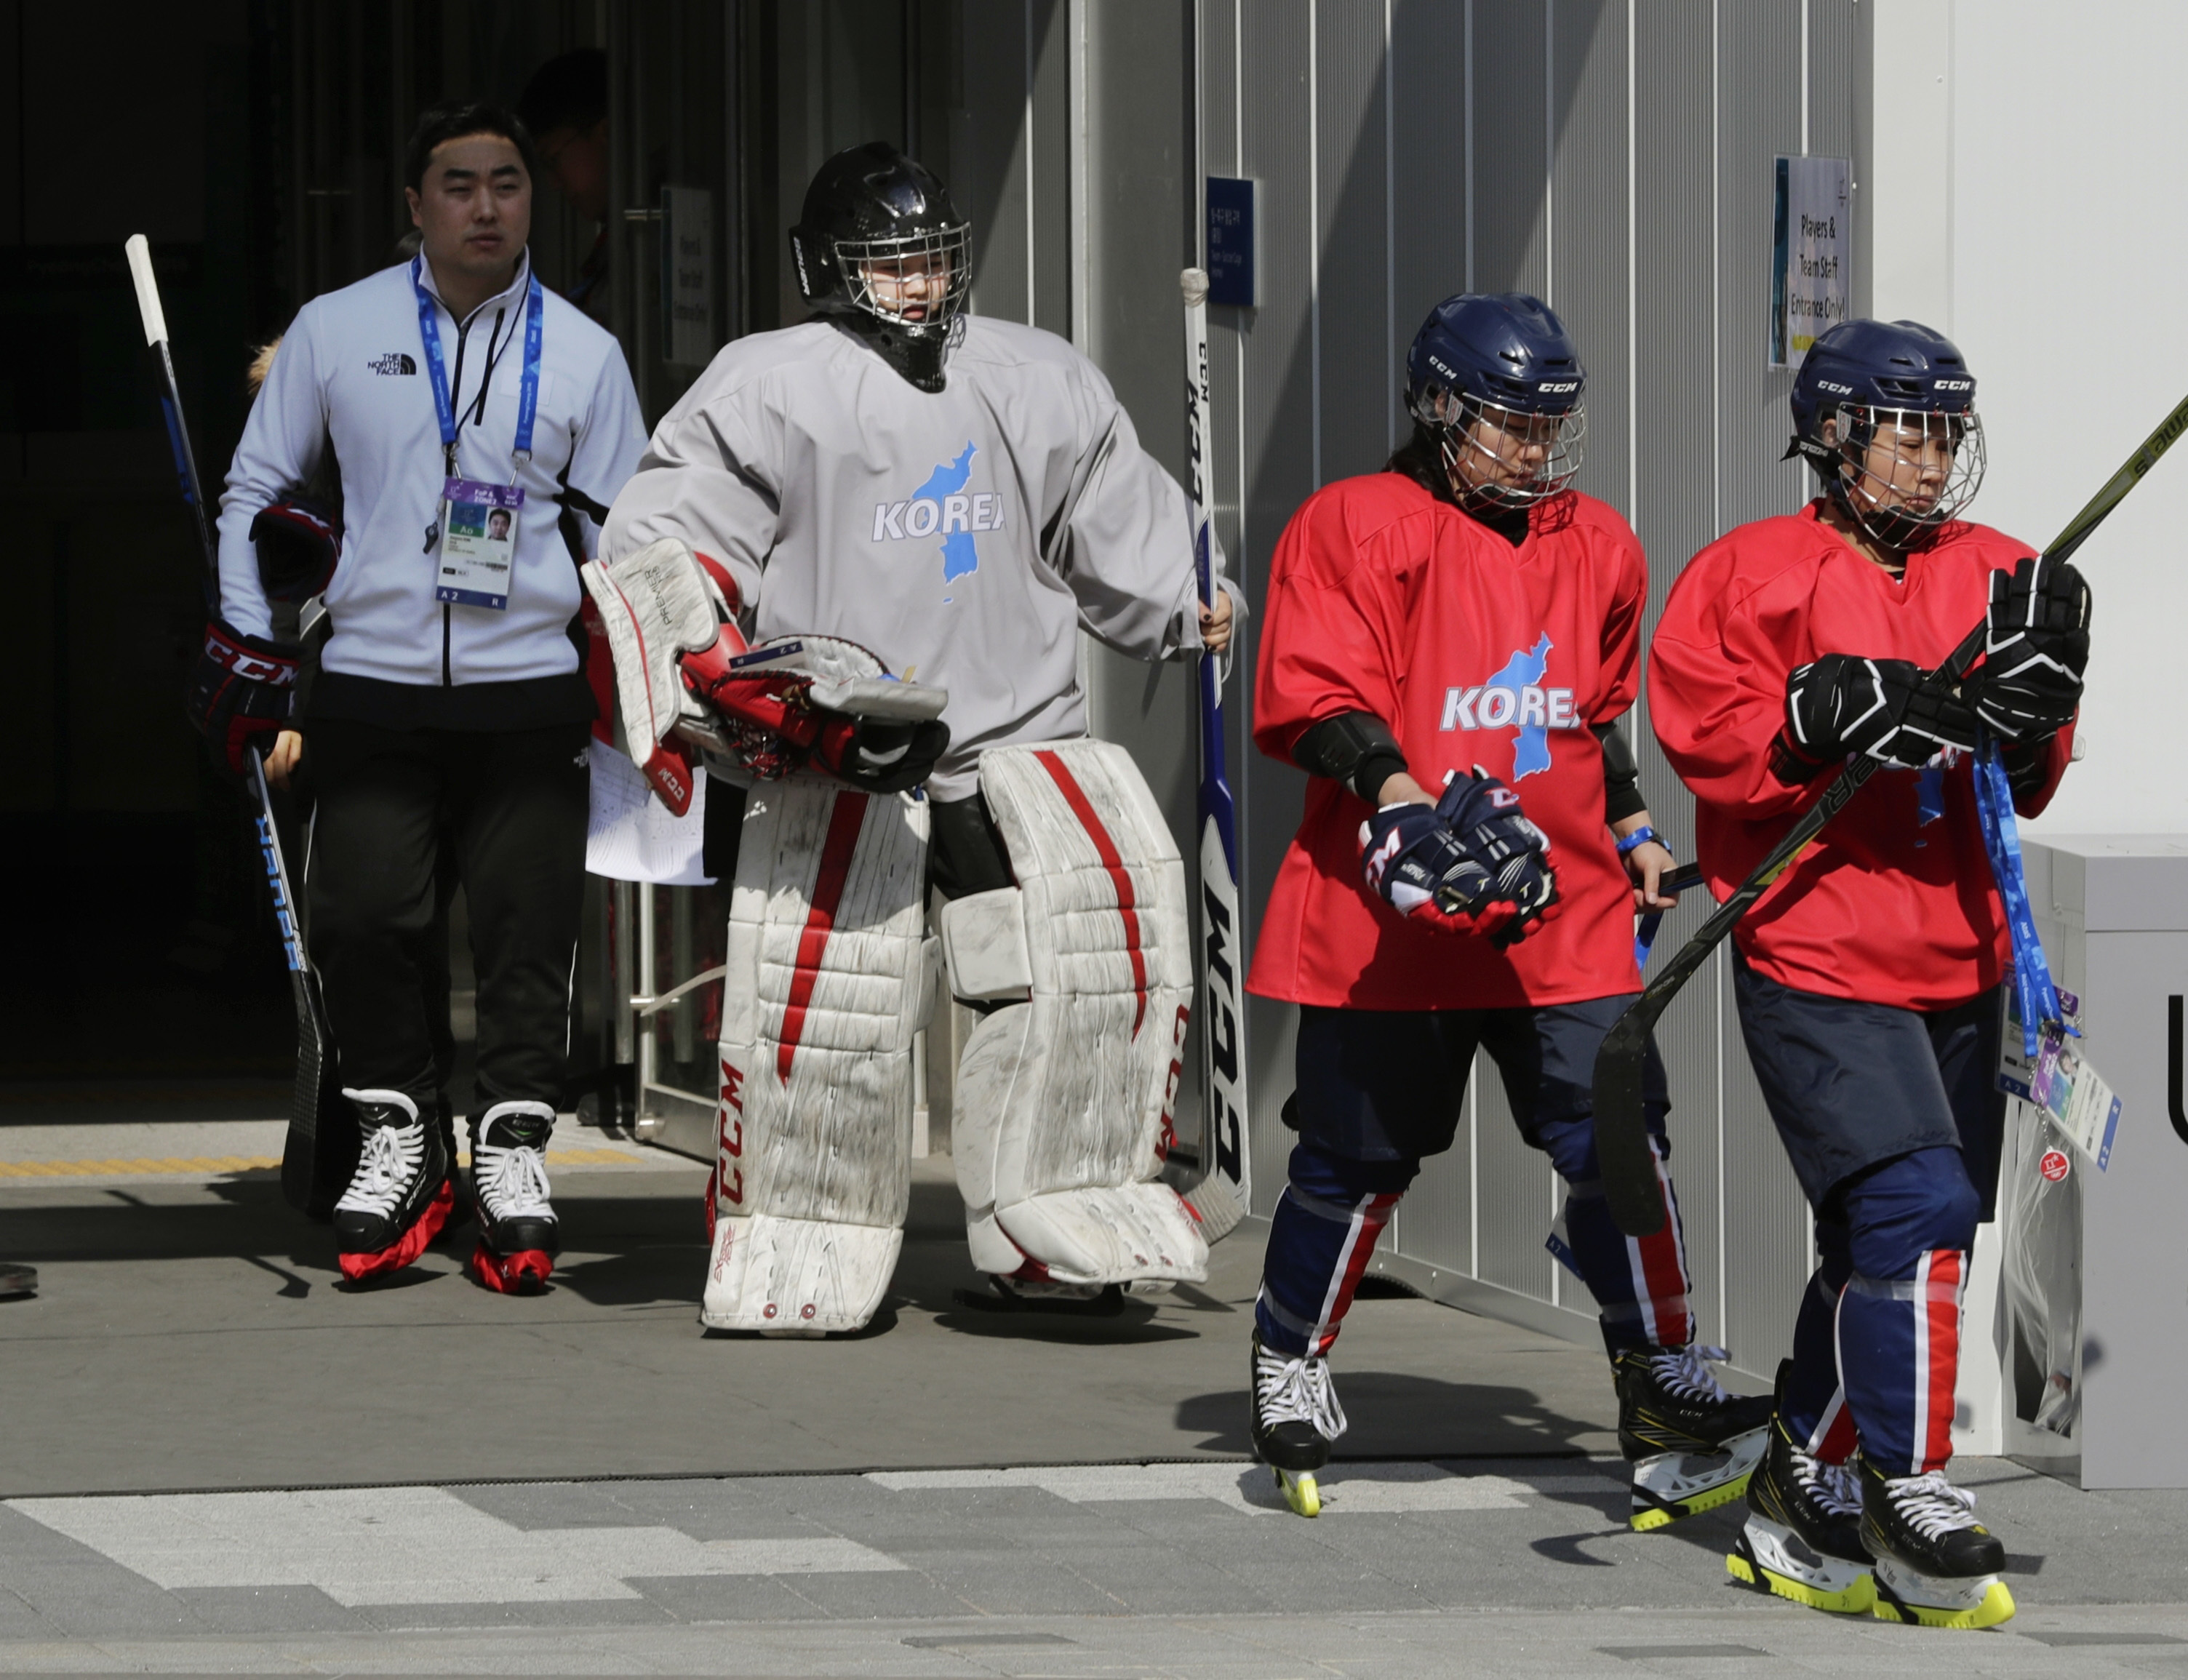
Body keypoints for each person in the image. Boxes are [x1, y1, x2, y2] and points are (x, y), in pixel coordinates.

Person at [591, 140, 1236, 1335]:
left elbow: (1114, 516)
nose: (919, 286)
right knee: (823, 1016)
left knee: (1076, 986)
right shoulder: (764, 383)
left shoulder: (1039, 376)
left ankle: (1049, 1223)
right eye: (890, 266)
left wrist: (1179, 596)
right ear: (829, 270)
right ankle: (798, 1231)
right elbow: (669, 545)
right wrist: (706, 657)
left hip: (1016, 745)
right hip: (843, 753)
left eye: (933, 260)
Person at [1240, 292, 1772, 1521]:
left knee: (1621, 1139)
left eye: (1547, 425)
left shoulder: (1598, 543)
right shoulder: (1354, 522)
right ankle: (1288, 1354)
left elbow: (1585, 712)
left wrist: (1632, 826)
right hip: (1394, 905)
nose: (1532, 448)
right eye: (1506, 423)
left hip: (1562, 903)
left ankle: (1662, 1375)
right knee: (1355, 1156)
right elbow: (1317, 695)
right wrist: (1401, 799)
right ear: (1437, 406)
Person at [1650, 318, 2087, 1629]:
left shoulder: (2000, 571)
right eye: (1907, 433)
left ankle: (1801, 1477)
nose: (1932, 459)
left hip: (1962, 953)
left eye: (1947, 433)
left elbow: (2027, 774)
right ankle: (1911, 1482)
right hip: (1818, 949)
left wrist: (2036, 712)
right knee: (1916, 1201)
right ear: (1835, 435)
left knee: (1884, 1239)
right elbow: (1709, 742)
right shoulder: (1747, 574)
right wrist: (1809, 719)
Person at [193, 102, 647, 1292]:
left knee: (525, 939)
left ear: (530, 198)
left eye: (508, 182)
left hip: (529, 693)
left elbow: (633, 538)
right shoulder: (335, 330)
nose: (486, 206)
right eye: (458, 184)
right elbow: (253, 491)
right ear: (415, 203)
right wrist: (250, 643)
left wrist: (657, 677)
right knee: (364, 922)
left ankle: (512, 1151)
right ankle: (403, 1137)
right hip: (371, 689)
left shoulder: (586, 353)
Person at [517, 49, 612, 324]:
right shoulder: (615, 237)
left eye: (554, 159)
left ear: (605, 133)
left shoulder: (657, 225)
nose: (554, 183)